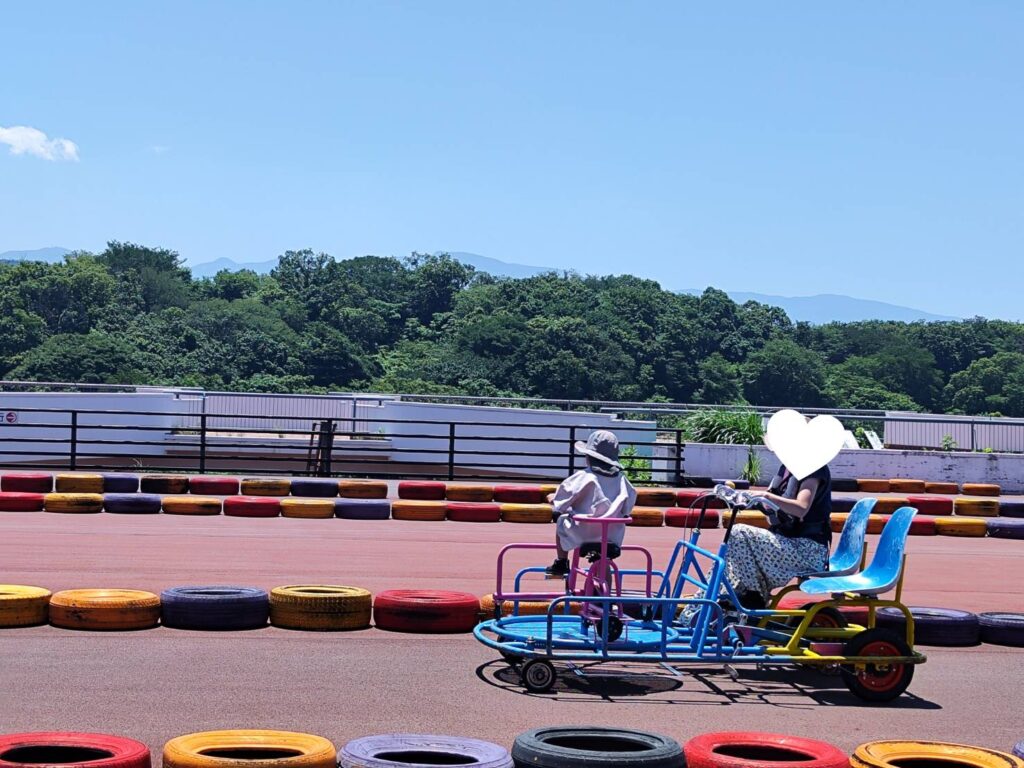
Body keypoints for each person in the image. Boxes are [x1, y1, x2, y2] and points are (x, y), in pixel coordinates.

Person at [681, 455, 833, 622]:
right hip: (786, 540)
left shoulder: (813, 469)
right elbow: (772, 503)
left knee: (739, 533)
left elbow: (801, 508)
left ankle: (752, 600)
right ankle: (701, 606)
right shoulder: (786, 469)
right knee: (726, 560)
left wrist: (766, 497)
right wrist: (745, 497)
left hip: (807, 549)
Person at [544, 430, 637, 578]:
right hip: (611, 536)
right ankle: (603, 596)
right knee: (605, 558)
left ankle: (562, 561)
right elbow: (628, 506)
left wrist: (553, 499)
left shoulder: (583, 477)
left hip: (581, 533)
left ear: (589, 457)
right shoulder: (622, 480)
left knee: (561, 520)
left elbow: (561, 502)